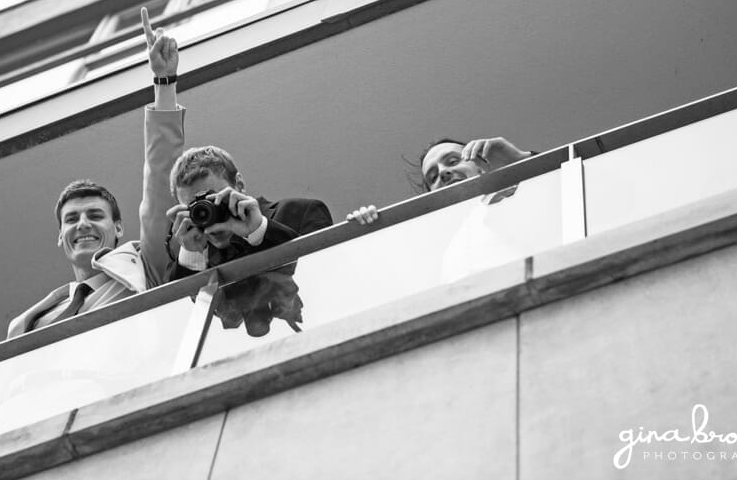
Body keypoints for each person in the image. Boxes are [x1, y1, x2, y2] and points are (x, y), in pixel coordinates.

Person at [6, 8, 184, 338]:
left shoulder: (145, 267)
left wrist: (164, 85)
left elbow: (160, 180)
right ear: (61, 237)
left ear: (118, 228)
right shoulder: (34, 318)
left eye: (94, 215)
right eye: (71, 219)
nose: (83, 224)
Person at [164, 145, 333, 335]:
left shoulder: (301, 213)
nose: (209, 215)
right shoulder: (187, 256)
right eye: (198, 210)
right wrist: (191, 256)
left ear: (239, 185)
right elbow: (176, 325)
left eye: (215, 201)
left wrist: (258, 230)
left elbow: (328, 277)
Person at [346, 136, 544, 283]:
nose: (443, 172)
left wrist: (519, 161)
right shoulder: (432, 244)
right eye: (433, 177)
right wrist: (369, 232)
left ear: (481, 165)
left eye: (453, 161)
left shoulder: (511, 198)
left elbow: (551, 202)